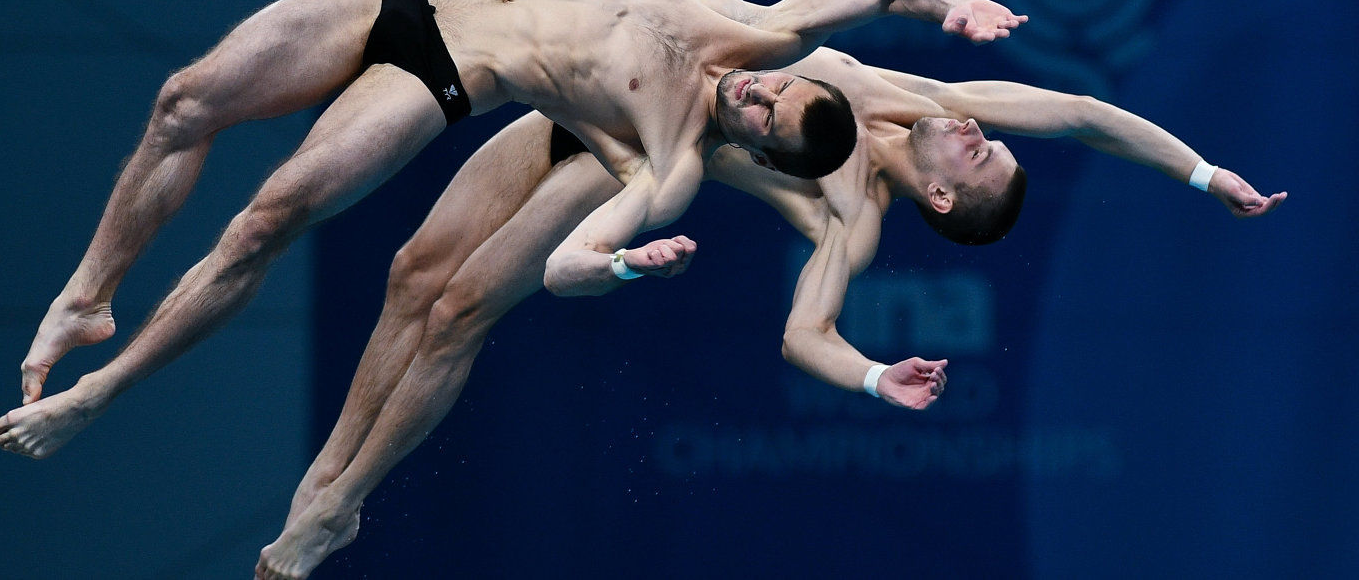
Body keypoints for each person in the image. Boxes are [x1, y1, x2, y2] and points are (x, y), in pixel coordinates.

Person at [246, 33, 1283, 577]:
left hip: (637, 168)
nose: (976, 128)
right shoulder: (918, 96)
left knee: (463, 305)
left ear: (937, 196)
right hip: (600, 105)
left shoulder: (853, 214)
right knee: (411, 276)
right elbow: (1087, 114)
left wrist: (877, 375)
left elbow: (803, 334)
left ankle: (338, 504)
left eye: (979, 154)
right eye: (986, 136)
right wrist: (1202, 173)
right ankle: (325, 485)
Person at [0, 0, 1023, 453]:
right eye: (775, 86)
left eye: (765, 108)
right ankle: (88, 293)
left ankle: (98, 395)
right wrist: (955, 2)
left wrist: (624, 266)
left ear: (757, 143)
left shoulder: (672, 161)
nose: (755, 92)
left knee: (267, 222)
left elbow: (572, 267)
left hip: (443, 78)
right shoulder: (763, 36)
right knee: (183, 102)